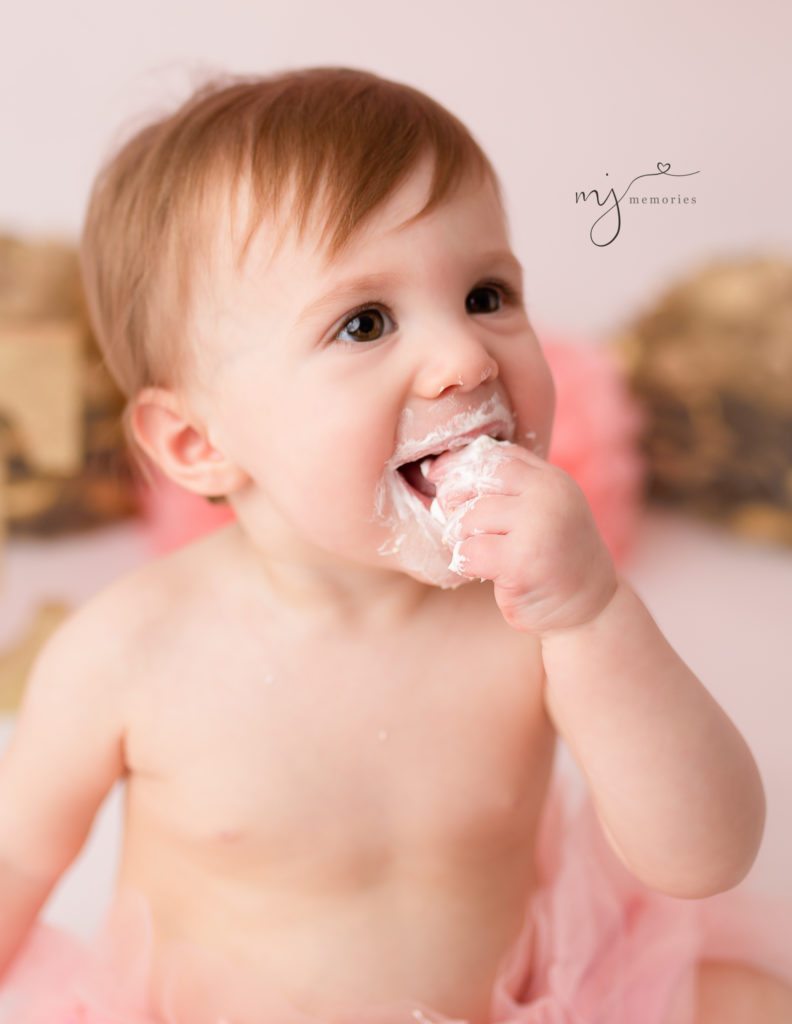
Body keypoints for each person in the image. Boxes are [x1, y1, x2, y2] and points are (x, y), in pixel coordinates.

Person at [0, 67, 790, 1024]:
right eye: (364, 322)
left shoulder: (541, 615)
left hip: (518, 1001)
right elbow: (17, 861)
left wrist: (592, 616)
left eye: (487, 294)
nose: (464, 357)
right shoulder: (131, 650)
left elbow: (705, 857)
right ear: (197, 444)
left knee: (749, 999)